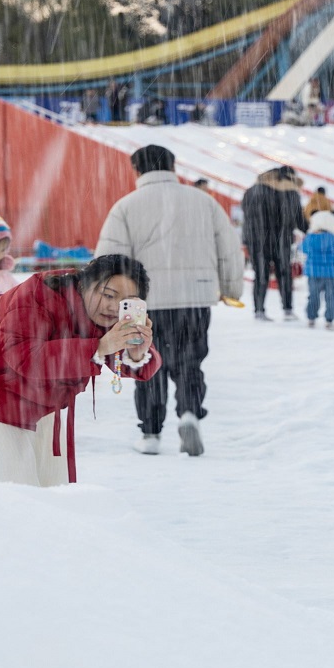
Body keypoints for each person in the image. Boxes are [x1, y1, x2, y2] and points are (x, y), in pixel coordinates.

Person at [96, 144, 244, 455]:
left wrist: (104, 302)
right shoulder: (203, 202)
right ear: (173, 166)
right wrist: (230, 288)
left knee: (147, 360)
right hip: (195, 296)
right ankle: (189, 412)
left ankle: (150, 433)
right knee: (190, 360)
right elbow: (229, 247)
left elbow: (110, 260)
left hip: (143, 303)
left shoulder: (126, 206)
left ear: (137, 170)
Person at [0, 255, 161, 486]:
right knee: (15, 489)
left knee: (54, 490)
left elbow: (135, 365)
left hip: (41, 403)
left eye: (126, 301)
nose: (113, 306)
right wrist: (100, 346)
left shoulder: (103, 315)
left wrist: (136, 352)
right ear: (83, 284)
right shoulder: (35, 296)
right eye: (108, 295)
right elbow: (24, 356)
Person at [242, 165, 308, 321]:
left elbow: (246, 216)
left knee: (261, 275)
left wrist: (247, 239)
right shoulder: (290, 192)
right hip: (281, 240)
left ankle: (259, 310)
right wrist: (308, 226)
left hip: (257, 240)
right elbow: (299, 220)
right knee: (284, 274)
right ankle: (287, 309)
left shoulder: (252, 191)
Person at [300, 210, 334, 330]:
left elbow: (302, 249)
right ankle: (330, 320)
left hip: (313, 273)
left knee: (313, 296)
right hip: (331, 274)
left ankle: (311, 318)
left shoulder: (309, 239)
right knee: (331, 297)